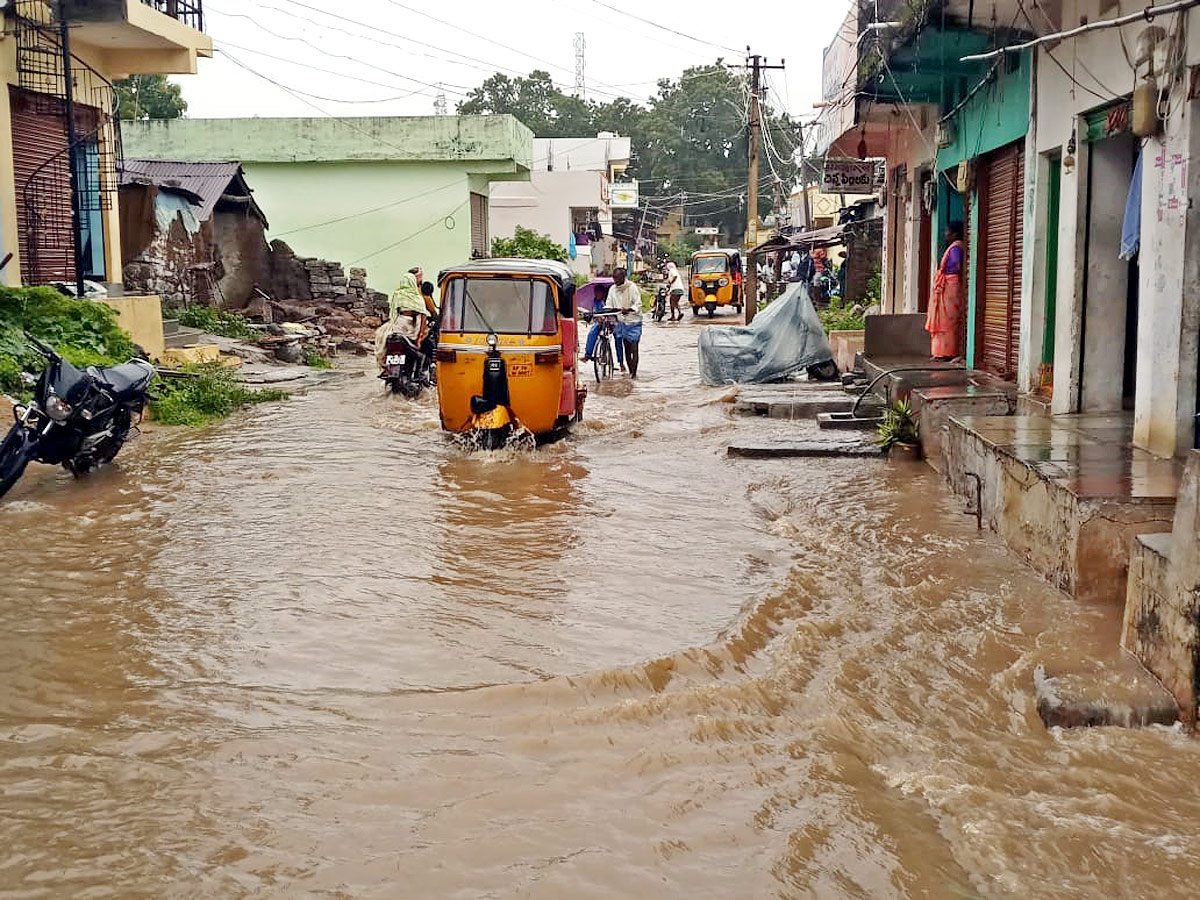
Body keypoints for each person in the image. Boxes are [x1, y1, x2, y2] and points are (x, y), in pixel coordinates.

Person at [926, 222, 966, 361]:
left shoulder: (956, 247)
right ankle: (941, 352)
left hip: (950, 287)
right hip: (948, 286)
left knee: (947, 320)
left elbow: (956, 266)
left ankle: (947, 352)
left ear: (954, 234)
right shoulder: (956, 247)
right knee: (944, 319)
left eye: (947, 232)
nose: (945, 235)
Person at [608, 266, 643, 377]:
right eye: (614, 278)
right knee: (626, 349)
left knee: (634, 348)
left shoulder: (632, 287)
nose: (615, 281)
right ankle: (630, 371)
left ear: (623, 277)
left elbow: (638, 303)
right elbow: (609, 303)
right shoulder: (612, 289)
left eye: (617, 278)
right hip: (622, 322)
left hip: (634, 321)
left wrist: (628, 309)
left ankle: (634, 374)